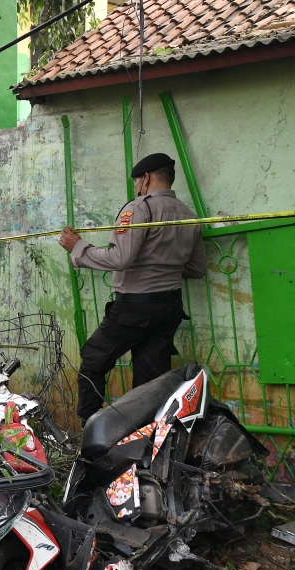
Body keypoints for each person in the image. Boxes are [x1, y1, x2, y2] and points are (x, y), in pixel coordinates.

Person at [58, 153, 207, 423]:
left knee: (93, 360)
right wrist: (162, 265)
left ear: (146, 178)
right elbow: (197, 269)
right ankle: (146, 438)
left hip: (135, 308)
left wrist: (78, 248)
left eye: (138, 181)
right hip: (170, 308)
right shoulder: (190, 215)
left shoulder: (138, 209)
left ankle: (90, 432)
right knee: (150, 381)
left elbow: (120, 259)